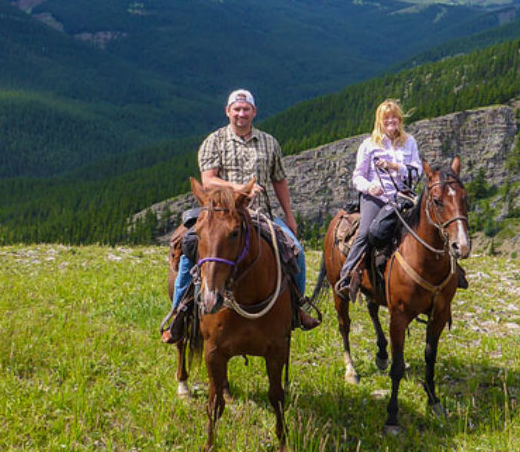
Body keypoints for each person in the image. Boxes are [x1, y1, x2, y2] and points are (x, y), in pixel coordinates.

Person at [161, 88, 319, 340]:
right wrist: (240, 188)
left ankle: (297, 308)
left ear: (254, 112)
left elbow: (279, 181)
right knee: (190, 249)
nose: (241, 114)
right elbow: (208, 181)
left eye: (246, 109)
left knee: (294, 250)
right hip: (220, 215)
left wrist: (289, 216)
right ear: (228, 112)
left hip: (259, 213)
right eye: (236, 109)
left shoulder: (270, 142)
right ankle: (179, 312)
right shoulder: (215, 141)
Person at [336, 99, 422, 300]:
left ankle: (449, 272)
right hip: (376, 196)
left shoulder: (409, 142)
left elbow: (416, 171)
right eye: (386, 118)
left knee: (429, 224)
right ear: (380, 122)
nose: (391, 121)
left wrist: (395, 167)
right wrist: (369, 187)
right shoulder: (368, 145)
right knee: (366, 231)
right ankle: (346, 277)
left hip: (402, 196)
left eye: (394, 117)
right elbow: (358, 176)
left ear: (400, 120)